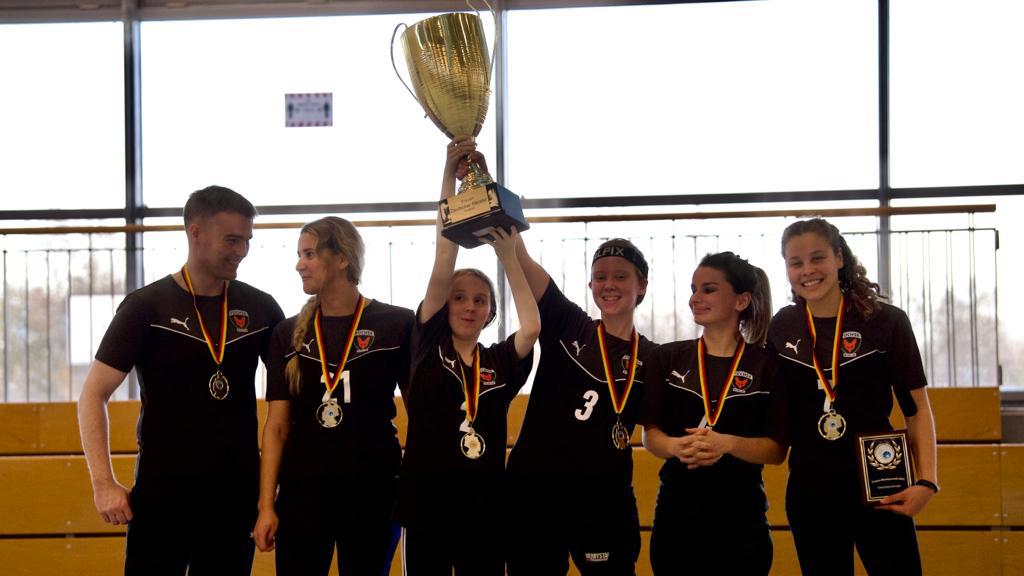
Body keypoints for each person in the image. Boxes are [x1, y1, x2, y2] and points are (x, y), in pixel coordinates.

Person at [78, 185, 285, 576]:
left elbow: (288, 401)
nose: (242, 250)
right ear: (195, 233)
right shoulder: (146, 306)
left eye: (247, 241)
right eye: (232, 239)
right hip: (162, 495)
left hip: (234, 497)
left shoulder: (261, 308)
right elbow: (93, 394)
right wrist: (103, 482)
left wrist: (269, 496)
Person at [396, 136, 540, 575]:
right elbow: (445, 253)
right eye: (459, 298)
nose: (468, 306)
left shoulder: (499, 361)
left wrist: (507, 254)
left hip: (486, 510)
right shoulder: (425, 348)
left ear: (491, 312)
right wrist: (448, 172)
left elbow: (532, 326)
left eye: (480, 300)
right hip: (426, 508)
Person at [768, 217, 938, 576]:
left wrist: (927, 480)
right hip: (811, 490)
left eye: (818, 258)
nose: (808, 270)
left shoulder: (886, 321)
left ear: (839, 258)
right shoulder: (782, 326)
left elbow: (916, 409)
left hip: (881, 483)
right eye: (795, 263)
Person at [253, 216, 414, 575]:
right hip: (303, 493)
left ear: (342, 258)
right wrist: (266, 506)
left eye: (309, 254)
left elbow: (420, 414)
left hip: (373, 490)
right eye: (299, 254)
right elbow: (276, 427)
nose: (299, 264)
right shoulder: (286, 332)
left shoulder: (397, 324)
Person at [504, 223, 657, 572]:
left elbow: (660, 429)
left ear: (642, 285)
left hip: (604, 502)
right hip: (536, 493)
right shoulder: (569, 323)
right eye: (600, 277)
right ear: (590, 286)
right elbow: (521, 256)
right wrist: (493, 202)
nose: (609, 285)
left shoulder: (652, 358)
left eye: (620, 277)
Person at [640, 251, 784, 575]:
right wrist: (676, 447)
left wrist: (728, 443)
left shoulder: (768, 366)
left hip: (742, 522)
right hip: (676, 520)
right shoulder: (668, 358)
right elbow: (651, 435)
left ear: (741, 300)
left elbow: (776, 450)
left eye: (708, 289)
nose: (695, 298)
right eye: (693, 289)